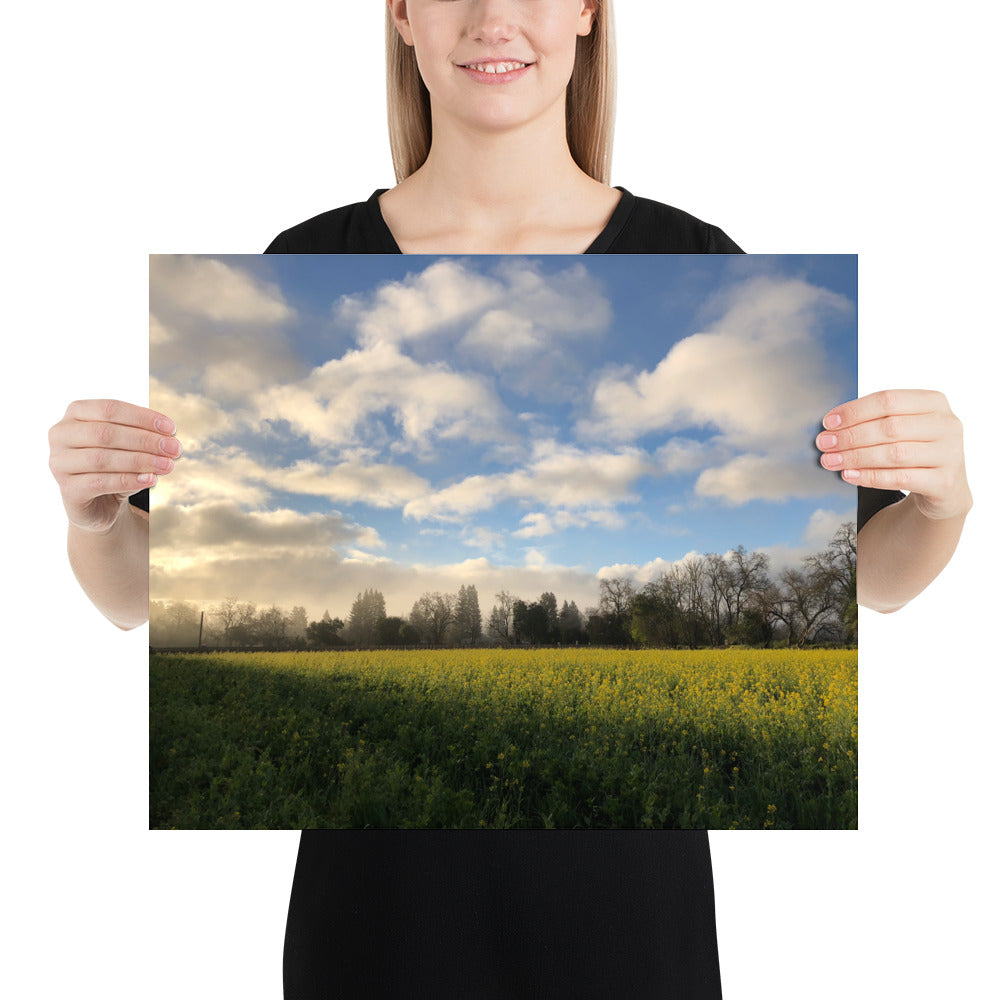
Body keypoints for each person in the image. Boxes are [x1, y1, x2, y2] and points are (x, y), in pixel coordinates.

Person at [47, 1, 971, 997]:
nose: (494, 17)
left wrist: (940, 505)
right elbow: (131, 598)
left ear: (586, 13)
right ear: (402, 15)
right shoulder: (296, 256)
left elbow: (872, 585)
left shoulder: (700, 258)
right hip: (371, 937)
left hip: (631, 941)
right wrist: (93, 516)